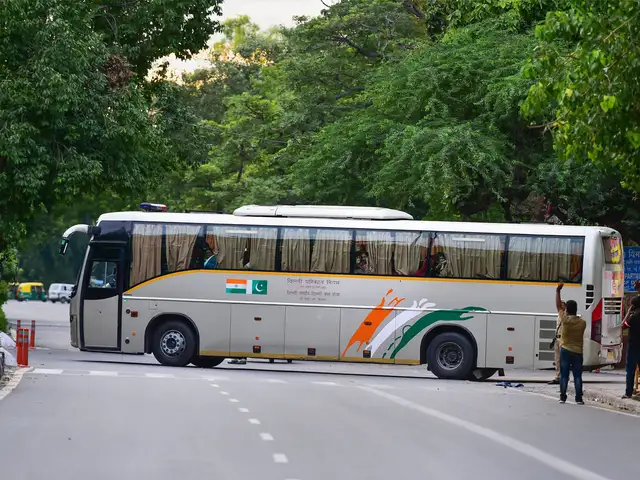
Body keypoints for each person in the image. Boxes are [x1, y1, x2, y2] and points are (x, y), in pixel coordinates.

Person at [555, 283, 586, 404]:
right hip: (578, 351)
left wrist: (558, 291)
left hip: (565, 350)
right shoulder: (582, 323)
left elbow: (558, 306)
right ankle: (579, 398)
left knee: (564, 375)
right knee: (577, 376)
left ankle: (563, 397)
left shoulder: (565, 321)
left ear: (567, 309)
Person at [622, 294, 640, 398]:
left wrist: (628, 313)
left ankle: (628, 392)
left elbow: (623, 326)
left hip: (633, 346)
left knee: (630, 370)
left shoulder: (633, 317)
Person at [548, 300, 566, 385]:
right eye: (560, 305)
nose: (561, 306)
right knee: (557, 359)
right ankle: (558, 377)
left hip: (563, 339)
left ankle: (564, 377)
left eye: (563, 305)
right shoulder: (559, 315)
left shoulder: (565, 316)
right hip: (557, 339)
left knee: (563, 360)